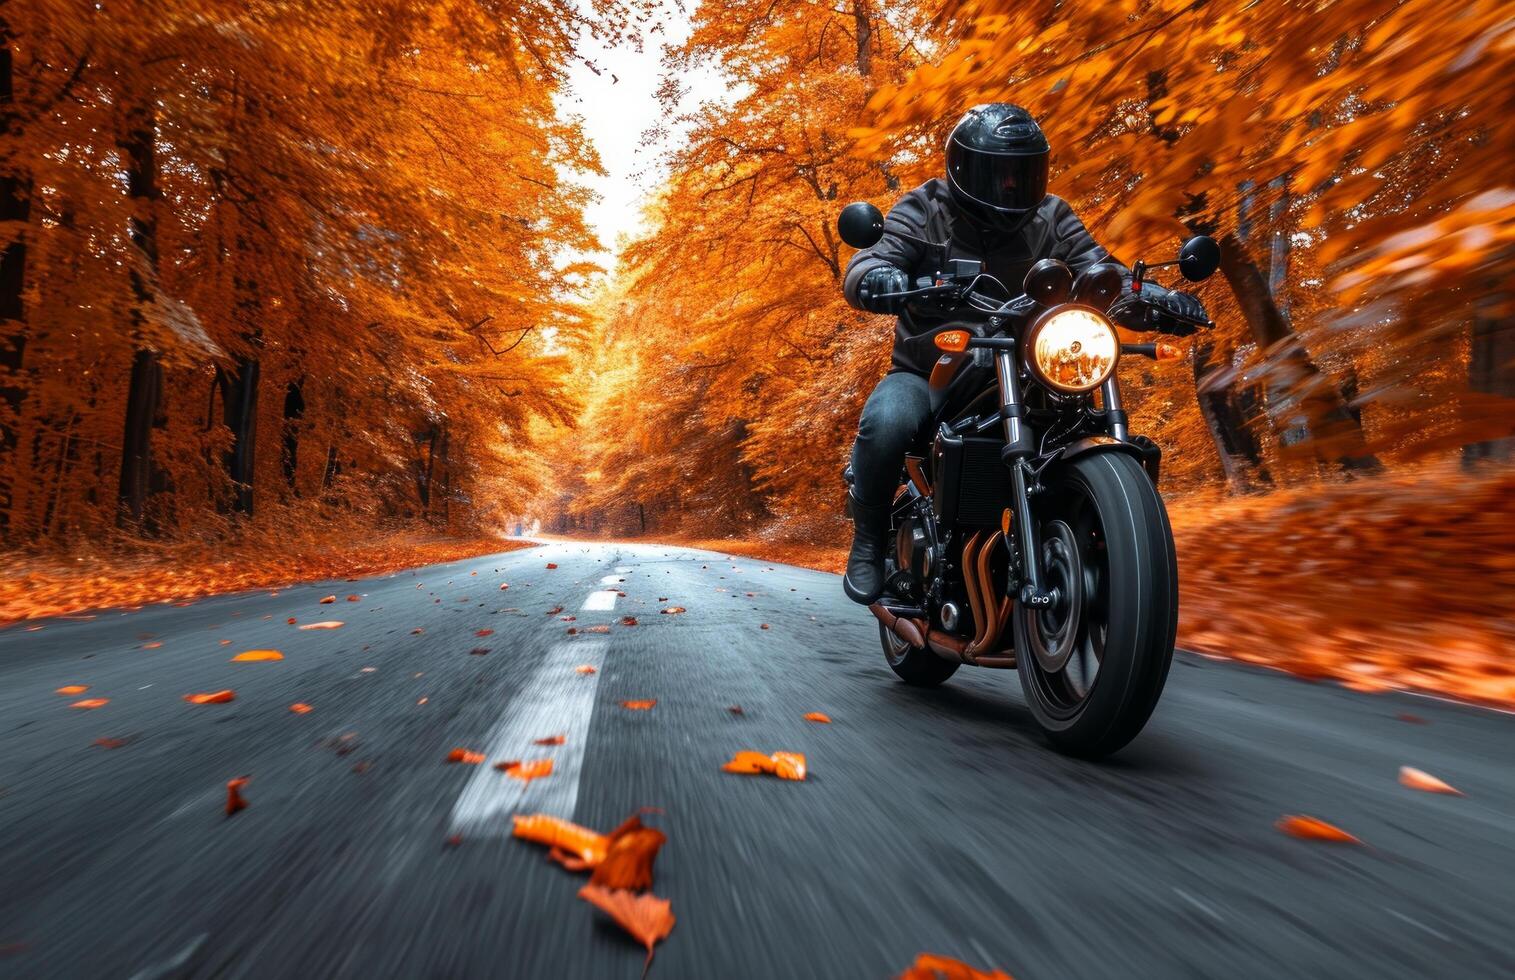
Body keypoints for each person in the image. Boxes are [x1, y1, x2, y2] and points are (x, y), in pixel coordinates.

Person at [840, 103, 1207, 604]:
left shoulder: (1052, 215)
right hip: (933, 370)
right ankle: (868, 542)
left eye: (1023, 173)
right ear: (965, 168)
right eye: (1000, 174)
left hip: (1033, 363)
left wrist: (1156, 299)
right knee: (887, 423)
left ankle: (1101, 544)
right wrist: (879, 277)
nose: (1012, 186)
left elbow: (1101, 270)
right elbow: (874, 259)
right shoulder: (925, 208)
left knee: (1080, 415)